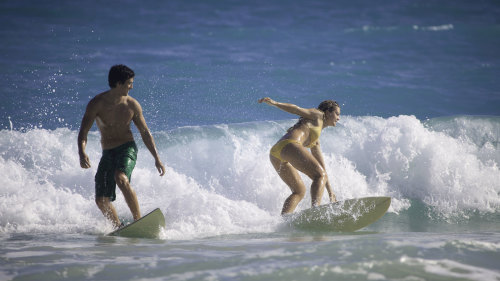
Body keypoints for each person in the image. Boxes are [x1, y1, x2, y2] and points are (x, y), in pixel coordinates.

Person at [78, 64, 166, 228]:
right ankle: (118, 227)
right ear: (118, 84)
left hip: (127, 148)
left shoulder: (132, 105)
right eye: (129, 83)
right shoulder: (96, 104)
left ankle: (138, 221)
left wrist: (157, 158)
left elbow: (145, 133)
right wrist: (82, 152)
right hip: (108, 152)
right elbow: (83, 131)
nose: (132, 87)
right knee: (101, 200)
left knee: (121, 177)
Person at [258, 97, 340, 215]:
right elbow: (296, 109)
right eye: (337, 114)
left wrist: (330, 192)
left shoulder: (315, 140)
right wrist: (275, 103)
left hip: (276, 153)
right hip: (290, 145)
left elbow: (323, 170)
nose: (338, 118)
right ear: (328, 112)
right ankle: (315, 212)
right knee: (319, 175)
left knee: (299, 191)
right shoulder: (318, 115)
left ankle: (284, 220)